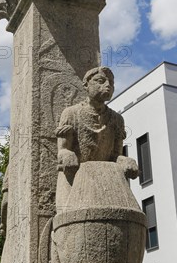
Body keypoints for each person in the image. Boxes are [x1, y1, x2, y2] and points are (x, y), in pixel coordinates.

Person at [54, 66, 138, 212]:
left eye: (111, 83)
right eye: (100, 81)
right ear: (86, 85)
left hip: (104, 182)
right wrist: (67, 154)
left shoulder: (117, 120)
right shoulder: (71, 113)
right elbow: (63, 150)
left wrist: (126, 160)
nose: (108, 86)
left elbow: (115, 155)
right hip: (74, 179)